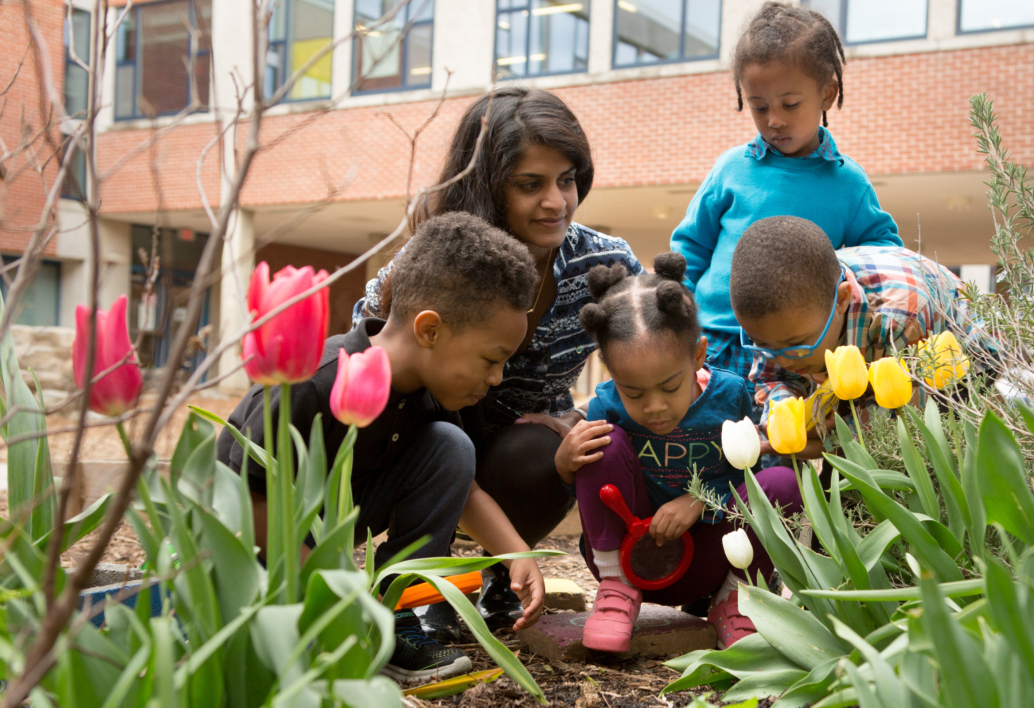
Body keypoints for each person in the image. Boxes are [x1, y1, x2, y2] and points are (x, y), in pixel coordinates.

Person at [354, 88, 643, 635]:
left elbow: (650, 353)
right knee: (444, 442)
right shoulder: (443, 254)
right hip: (429, 433)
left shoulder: (604, 265)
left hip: (525, 447)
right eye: (530, 185)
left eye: (567, 179)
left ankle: (497, 578)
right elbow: (370, 339)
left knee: (552, 449)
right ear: (488, 186)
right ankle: (424, 593)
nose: (556, 201)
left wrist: (582, 417)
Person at [218, 213, 547, 682]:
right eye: (491, 360)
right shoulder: (314, 380)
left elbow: (464, 489)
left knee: (451, 447)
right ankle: (327, 624)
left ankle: (394, 617)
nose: (496, 379)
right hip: (252, 537)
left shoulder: (431, 390)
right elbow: (248, 498)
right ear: (429, 330)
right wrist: (334, 589)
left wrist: (514, 553)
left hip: (332, 523)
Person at [554, 253, 802, 653]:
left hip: (710, 560)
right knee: (600, 443)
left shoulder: (730, 397)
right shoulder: (606, 407)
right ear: (610, 369)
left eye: (670, 387)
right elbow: (594, 497)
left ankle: (737, 601)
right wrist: (566, 469)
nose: (654, 407)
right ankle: (615, 595)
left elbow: (750, 480)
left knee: (783, 483)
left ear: (699, 355)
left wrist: (700, 502)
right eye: (633, 392)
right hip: (628, 558)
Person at [670, 1, 902, 391]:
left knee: (781, 447)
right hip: (714, 340)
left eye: (790, 104)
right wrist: (680, 320)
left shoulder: (849, 184)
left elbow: (883, 255)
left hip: (796, 352)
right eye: (758, 107)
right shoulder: (730, 169)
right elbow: (690, 249)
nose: (774, 119)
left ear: (827, 92)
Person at [730, 216, 995, 459]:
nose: (783, 360)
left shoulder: (900, 320)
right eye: (764, 345)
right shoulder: (786, 320)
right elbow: (774, 376)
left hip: (969, 367)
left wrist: (832, 441)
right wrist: (785, 412)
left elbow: (893, 431)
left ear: (842, 299)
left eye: (795, 345)